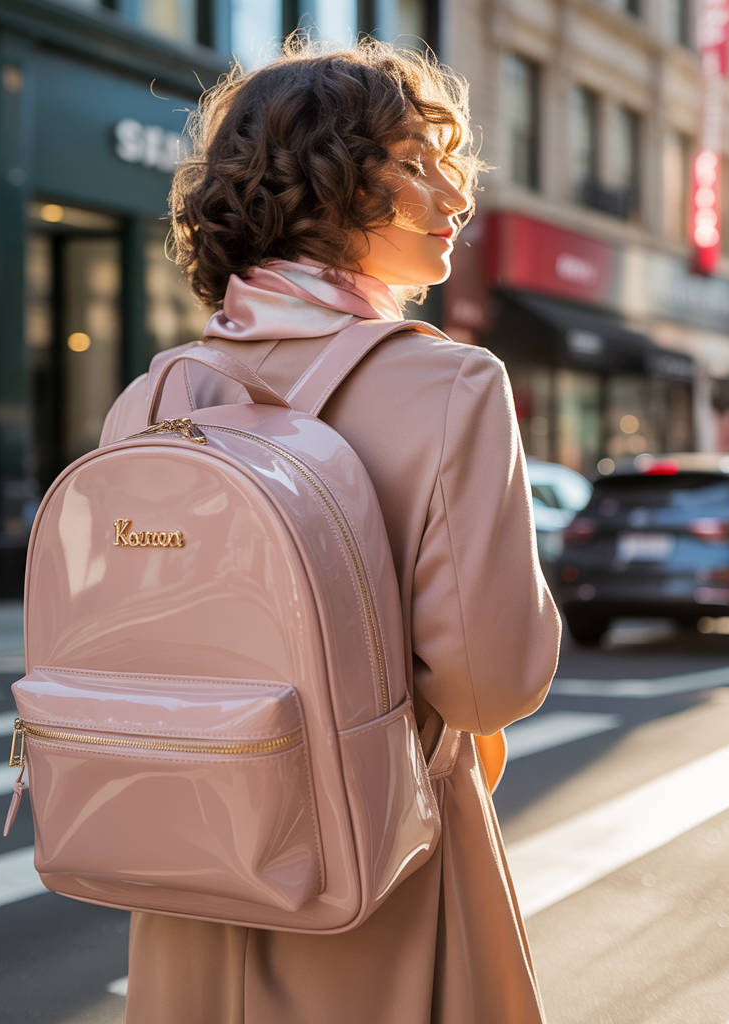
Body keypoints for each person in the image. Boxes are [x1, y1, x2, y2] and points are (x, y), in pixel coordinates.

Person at [100, 38, 561, 1024]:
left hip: (191, 869)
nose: (455, 197)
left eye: (452, 164)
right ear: (320, 183)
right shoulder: (450, 384)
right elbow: (492, 680)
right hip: (377, 865)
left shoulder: (153, 394)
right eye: (413, 163)